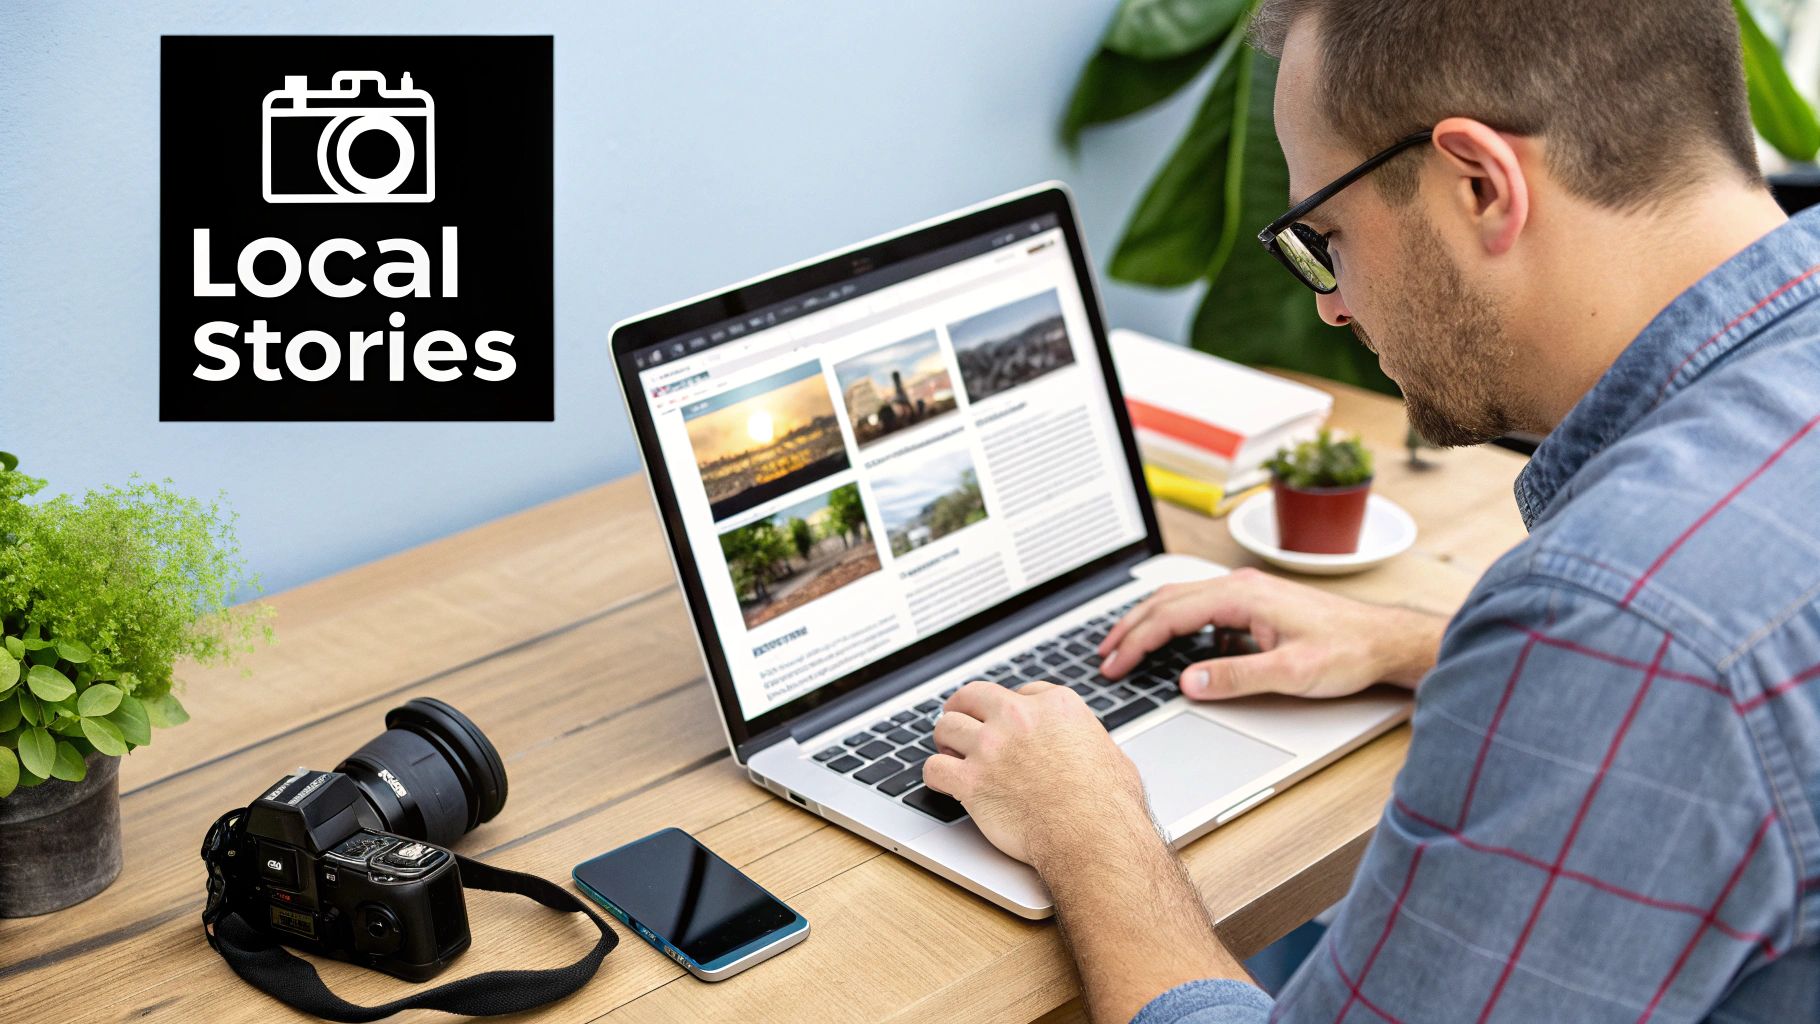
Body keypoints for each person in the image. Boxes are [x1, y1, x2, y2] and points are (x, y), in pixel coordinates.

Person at [919, 1, 1820, 1020]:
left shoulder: (1622, 618)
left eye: (1324, 235)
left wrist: (1089, 828)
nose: (1328, 305)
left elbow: (1658, 645)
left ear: (1479, 184)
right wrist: (1420, 642)